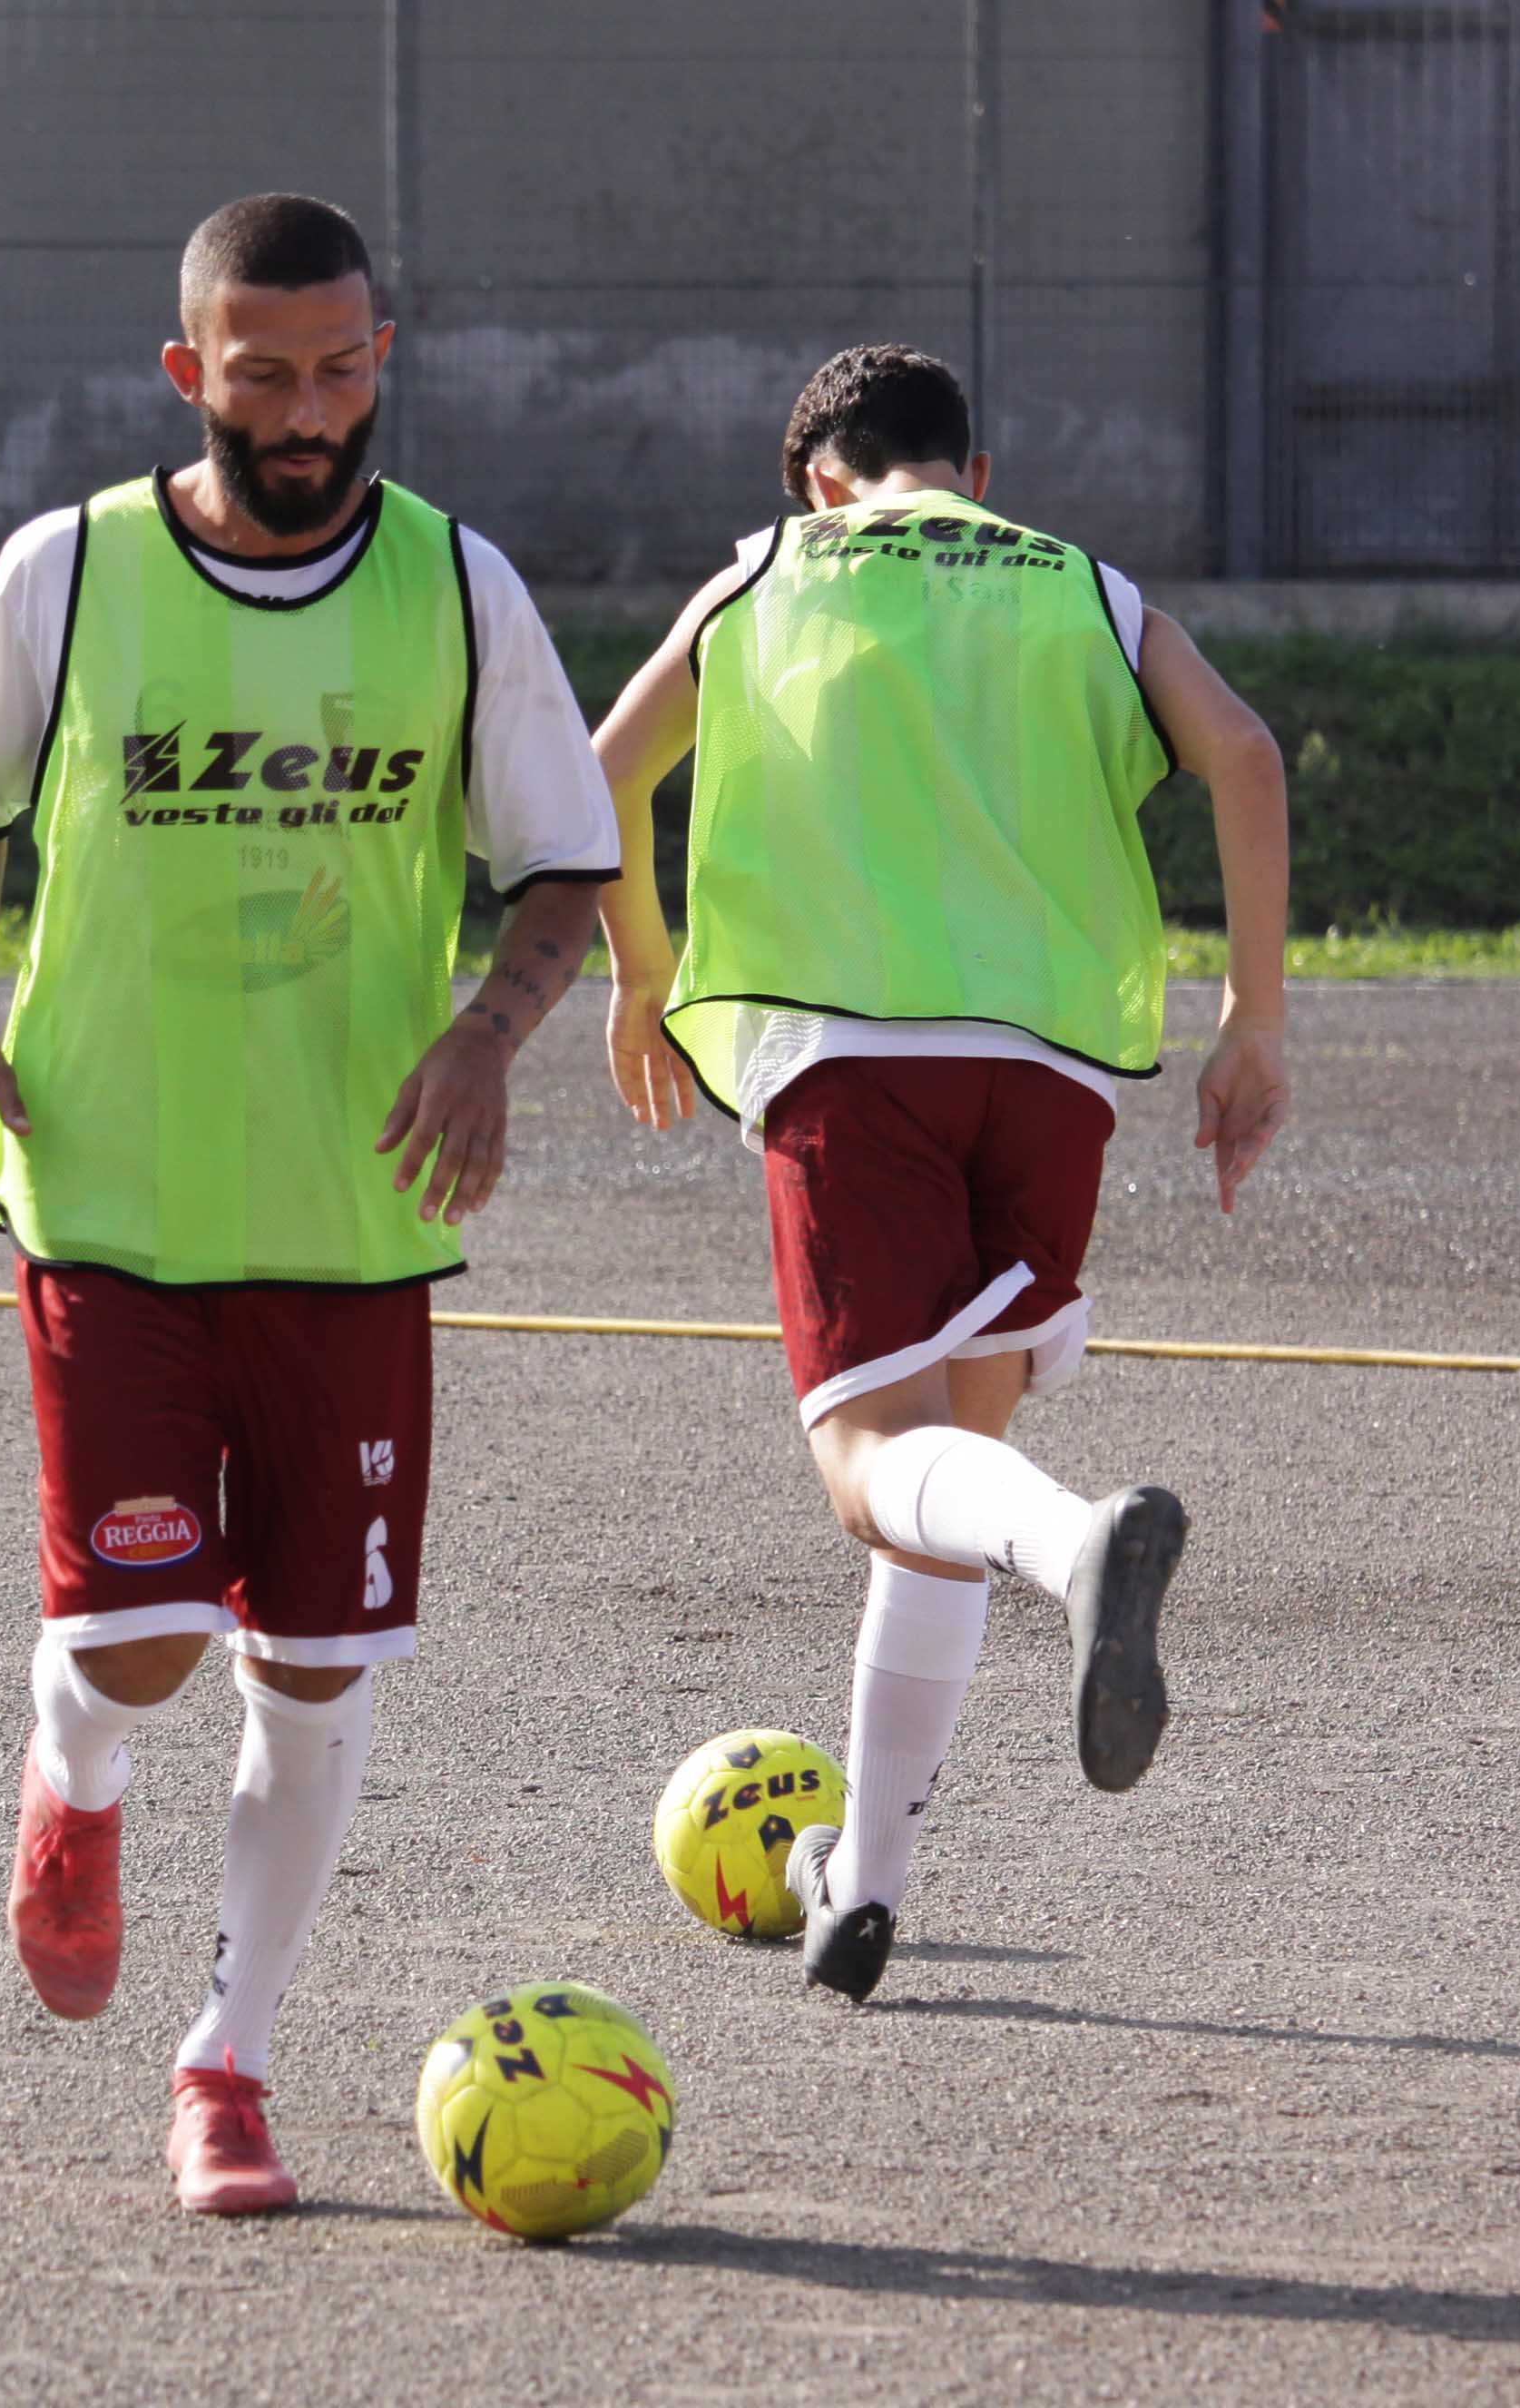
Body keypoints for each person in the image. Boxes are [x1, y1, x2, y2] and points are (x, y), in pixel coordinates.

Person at [0, 193, 621, 2213]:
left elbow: (563, 861)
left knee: (313, 1671)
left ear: (379, 359)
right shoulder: (68, 572)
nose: (302, 412)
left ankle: (226, 2061)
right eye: (260, 374)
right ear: (185, 372)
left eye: (336, 370)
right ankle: (78, 1771)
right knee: (135, 1641)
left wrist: (486, 1035)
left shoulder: (459, 590)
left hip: (349, 1214)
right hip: (110, 1191)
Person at [587, 343, 1292, 2004]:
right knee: (936, 1481)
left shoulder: (775, 566)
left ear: (822, 478)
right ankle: (866, 1888)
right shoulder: (1088, 590)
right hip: (1050, 1071)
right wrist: (1253, 1019)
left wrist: (639, 964)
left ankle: (1079, 1545)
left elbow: (599, 768)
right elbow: (1248, 755)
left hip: (854, 1054)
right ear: (972, 473)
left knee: (867, 1461)